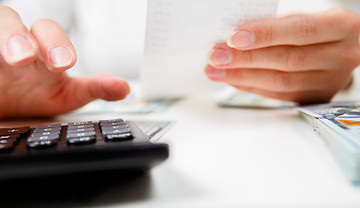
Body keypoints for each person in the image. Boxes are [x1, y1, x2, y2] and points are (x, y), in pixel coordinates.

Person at [0, 0, 360, 119]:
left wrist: (344, 73)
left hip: (282, 140)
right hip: (104, 123)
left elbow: (337, 29)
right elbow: (26, 20)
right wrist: (14, 77)